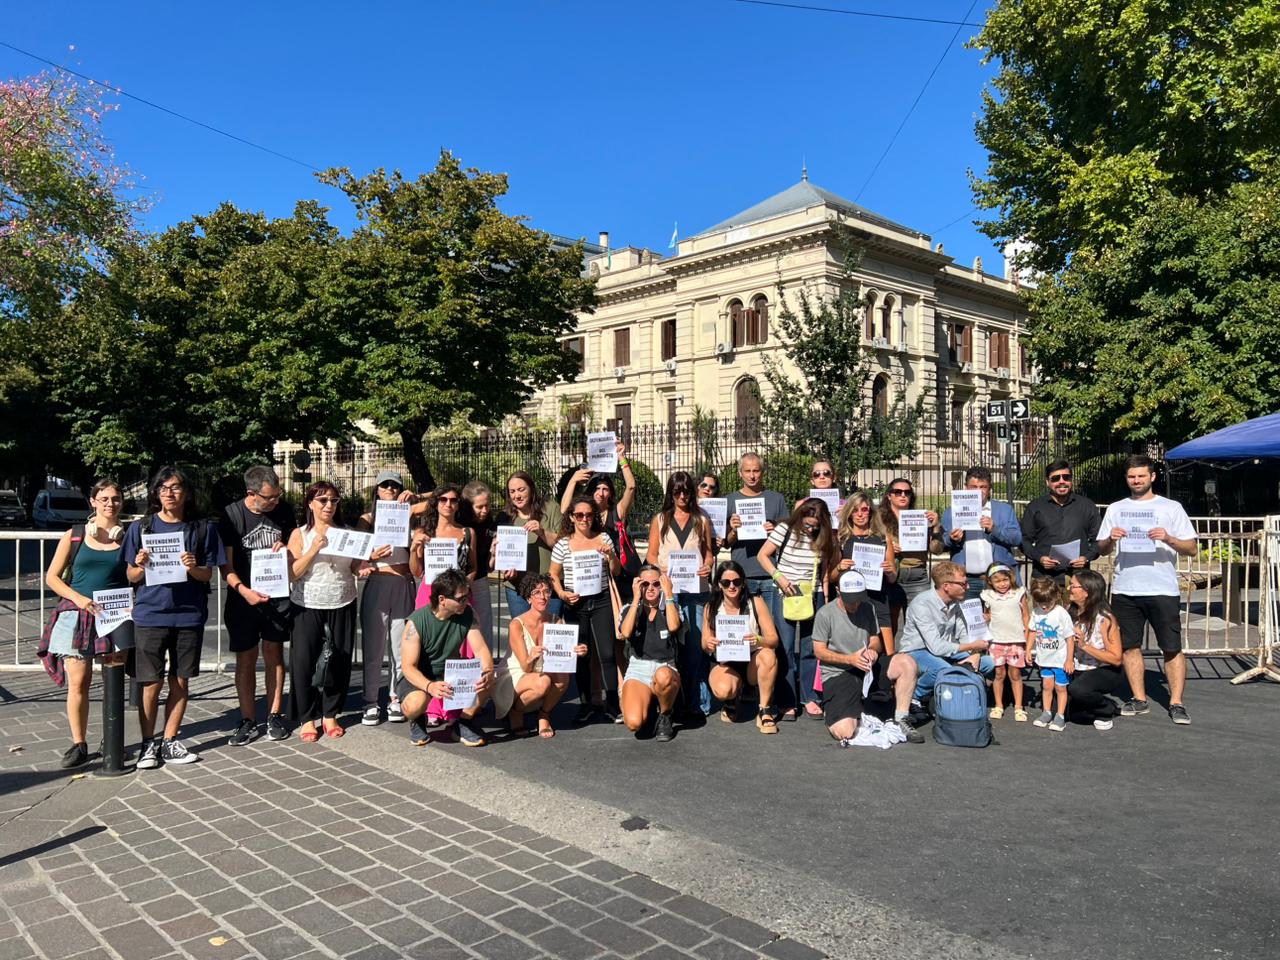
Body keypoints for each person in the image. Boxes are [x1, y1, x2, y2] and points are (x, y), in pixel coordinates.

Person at [123, 466, 225, 769]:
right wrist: (140, 564)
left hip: (188, 615)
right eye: (163, 488)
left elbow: (208, 573)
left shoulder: (202, 528)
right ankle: (147, 744)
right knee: (150, 683)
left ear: (187, 492)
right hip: (150, 615)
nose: (169, 493)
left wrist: (193, 566)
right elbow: (131, 575)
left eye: (176, 487)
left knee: (180, 680)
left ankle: (169, 741)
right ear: (155, 493)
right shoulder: (141, 528)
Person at [1096, 455, 1198, 724]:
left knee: (1172, 647)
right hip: (1126, 587)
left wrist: (1168, 537)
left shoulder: (1171, 508)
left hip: (1162, 587)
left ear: (1152, 477)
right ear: (1127, 479)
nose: (1136, 480)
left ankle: (1176, 702)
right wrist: (1111, 538)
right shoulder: (1116, 509)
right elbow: (1101, 548)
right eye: (1132, 476)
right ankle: (1139, 698)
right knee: (1130, 646)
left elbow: (1192, 548)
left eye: (1141, 475)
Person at [40, 479, 133, 768]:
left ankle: (112, 740)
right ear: (93, 501)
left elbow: (136, 575)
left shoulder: (129, 536)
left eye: (115, 498)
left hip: (115, 616)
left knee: (113, 682)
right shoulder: (75, 535)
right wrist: (79, 599)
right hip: (77, 614)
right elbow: (52, 577)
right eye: (103, 498)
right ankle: (79, 743)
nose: (110, 503)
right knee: (78, 683)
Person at [287, 481, 391, 742]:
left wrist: (368, 563)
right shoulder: (299, 534)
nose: (329, 506)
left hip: (342, 600)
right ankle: (307, 717)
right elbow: (293, 573)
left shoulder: (347, 532)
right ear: (310, 503)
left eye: (334, 500)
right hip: (307, 602)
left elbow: (355, 567)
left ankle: (330, 713)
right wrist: (313, 549)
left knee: (340, 658)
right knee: (303, 661)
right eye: (322, 500)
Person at [218, 465, 296, 745]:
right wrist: (243, 590)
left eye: (277, 495)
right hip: (244, 598)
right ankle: (248, 718)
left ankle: (274, 714)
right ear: (251, 494)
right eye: (270, 498)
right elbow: (224, 564)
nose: (275, 501)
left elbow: (293, 544)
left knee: (274, 652)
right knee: (246, 658)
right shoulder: (231, 515)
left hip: (277, 595)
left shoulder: (283, 511)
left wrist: (286, 548)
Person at [812, 572, 924, 745]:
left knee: (907, 663)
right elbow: (819, 651)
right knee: (845, 732)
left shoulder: (868, 607)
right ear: (838, 591)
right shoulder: (825, 614)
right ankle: (838, 708)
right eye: (850, 599)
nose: (855, 603)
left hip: (867, 667)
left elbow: (875, 641)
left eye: (858, 598)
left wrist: (872, 650)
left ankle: (902, 718)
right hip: (839, 672)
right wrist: (850, 659)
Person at [757, 498, 840, 720]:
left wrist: (824, 595)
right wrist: (780, 578)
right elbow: (762, 555)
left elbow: (824, 570)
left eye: (815, 525)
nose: (811, 528)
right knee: (784, 647)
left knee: (810, 648)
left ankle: (809, 696)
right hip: (784, 593)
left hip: (812, 595)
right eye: (807, 524)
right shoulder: (784, 529)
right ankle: (786, 700)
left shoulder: (824, 536)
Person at [398, 568, 495, 748]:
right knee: (414, 704)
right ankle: (417, 719)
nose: (466, 601)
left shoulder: (468, 614)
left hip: (450, 673)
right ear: (442, 600)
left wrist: (488, 671)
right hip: (421, 676)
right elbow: (408, 667)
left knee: (488, 680)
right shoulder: (416, 622)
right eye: (460, 599)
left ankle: (463, 724)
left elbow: (481, 649)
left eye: (467, 596)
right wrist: (429, 686)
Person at [646, 471, 716, 719]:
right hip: (670, 592)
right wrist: (662, 568)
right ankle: (671, 702)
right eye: (677, 491)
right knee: (672, 647)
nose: (683, 496)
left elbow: (709, 552)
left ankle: (697, 703)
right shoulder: (660, 519)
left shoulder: (701, 519)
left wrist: (707, 564)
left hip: (696, 591)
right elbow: (651, 555)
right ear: (671, 493)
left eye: (686, 490)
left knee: (696, 649)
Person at [550, 495, 622, 722]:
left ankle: (612, 703)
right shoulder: (563, 543)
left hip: (600, 600)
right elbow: (553, 573)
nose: (584, 519)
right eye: (579, 515)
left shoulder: (604, 538)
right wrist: (561, 593)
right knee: (581, 654)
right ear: (571, 517)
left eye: (589, 515)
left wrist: (610, 556)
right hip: (575, 603)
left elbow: (616, 571)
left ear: (594, 517)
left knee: (607, 654)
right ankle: (586, 704)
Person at [355, 470, 417, 725]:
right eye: (384, 485)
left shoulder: (412, 516)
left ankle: (396, 697)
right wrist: (369, 558)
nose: (390, 489)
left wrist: (415, 497)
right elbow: (356, 551)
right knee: (374, 647)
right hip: (379, 581)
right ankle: (370, 701)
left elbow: (438, 497)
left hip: (404, 582)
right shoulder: (368, 518)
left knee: (400, 648)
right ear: (377, 490)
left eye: (395, 485)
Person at [491, 573, 587, 738]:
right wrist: (532, 657)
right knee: (543, 682)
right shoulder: (517, 624)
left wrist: (577, 651)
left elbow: (563, 659)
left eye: (547, 592)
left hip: (539, 673)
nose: (543, 597)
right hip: (515, 673)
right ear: (528, 598)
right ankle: (516, 712)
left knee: (563, 676)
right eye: (537, 592)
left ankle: (544, 714)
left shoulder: (556, 621)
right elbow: (526, 667)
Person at [896, 560, 995, 702]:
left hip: (943, 651)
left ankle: (949, 683)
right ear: (946, 586)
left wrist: (975, 654)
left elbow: (963, 634)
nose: (967, 587)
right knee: (943, 670)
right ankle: (913, 695)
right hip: (916, 650)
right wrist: (973, 647)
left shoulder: (956, 602)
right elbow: (936, 647)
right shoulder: (922, 604)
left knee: (987, 663)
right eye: (962, 584)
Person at [701, 560, 781, 733]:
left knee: (768, 655)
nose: (732, 586)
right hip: (725, 663)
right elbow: (704, 643)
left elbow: (773, 639)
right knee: (723, 690)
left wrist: (758, 640)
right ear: (718, 585)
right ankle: (730, 699)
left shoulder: (756, 603)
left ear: (743, 583)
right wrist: (709, 643)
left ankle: (764, 709)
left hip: (752, 660)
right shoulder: (712, 607)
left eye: (736, 582)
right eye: (726, 582)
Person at [725, 452, 789, 649]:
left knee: (774, 631)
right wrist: (733, 531)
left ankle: (776, 675)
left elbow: (787, 537)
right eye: (748, 471)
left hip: (770, 575)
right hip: (742, 576)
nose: (752, 476)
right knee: (745, 631)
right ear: (740, 473)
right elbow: (726, 543)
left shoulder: (776, 499)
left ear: (763, 472)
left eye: (756, 471)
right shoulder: (730, 500)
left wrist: (776, 530)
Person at [618, 566, 684, 742]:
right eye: (645, 584)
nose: (651, 588)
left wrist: (668, 595)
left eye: (656, 583)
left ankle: (665, 714)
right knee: (634, 723)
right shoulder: (629, 608)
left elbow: (673, 626)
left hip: (665, 666)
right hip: (638, 667)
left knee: (663, 676)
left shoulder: (671, 607)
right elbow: (625, 632)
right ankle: (648, 704)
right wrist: (636, 599)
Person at [940, 466, 1023, 599]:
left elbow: (1017, 539)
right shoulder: (951, 512)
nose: (979, 491)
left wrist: (995, 529)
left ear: (989, 489)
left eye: (983, 487)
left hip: (998, 580)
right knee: (966, 619)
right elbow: (942, 542)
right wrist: (952, 539)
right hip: (965, 581)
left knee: (1000, 619)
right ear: (966, 487)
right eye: (974, 487)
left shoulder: (1005, 510)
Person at [878, 478, 943, 632]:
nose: (903, 495)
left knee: (918, 625)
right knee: (889, 626)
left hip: (918, 575)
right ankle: (890, 656)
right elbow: (870, 544)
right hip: (892, 576)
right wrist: (888, 548)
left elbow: (936, 549)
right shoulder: (879, 519)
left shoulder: (921, 517)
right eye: (898, 492)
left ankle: (913, 656)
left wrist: (936, 527)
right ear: (889, 496)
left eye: (907, 492)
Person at [1020, 460, 1101, 584]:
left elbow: (1099, 539)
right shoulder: (1035, 507)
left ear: (1071, 480)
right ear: (1047, 482)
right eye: (1056, 478)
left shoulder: (1087, 506)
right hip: (1044, 578)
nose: (1061, 481)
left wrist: (1086, 558)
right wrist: (1040, 558)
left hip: (1078, 579)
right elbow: (1024, 540)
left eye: (1066, 477)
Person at [835, 491, 897, 652]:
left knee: (888, 650)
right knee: (855, 646)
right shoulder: (841, 539)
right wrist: (839, 567)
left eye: (864, 509)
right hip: (852, 597)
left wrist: (890, 571)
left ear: (871, 512)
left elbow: (892, 578)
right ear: (849, 513)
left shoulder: (883, 538)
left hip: (878, 596)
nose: (860, 514)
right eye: (855, 510)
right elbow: (830, 576)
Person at [498, 471, 562, 618]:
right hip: (517, 589)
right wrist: (505, 569)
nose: (517, 496)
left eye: (521, 490)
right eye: (512, 491)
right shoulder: (506, 517)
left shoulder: (551, 508)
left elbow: (562, 545)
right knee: (522, 634)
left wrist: (542, 532)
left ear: (531, 489)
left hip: (548, 588)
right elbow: (501, 554)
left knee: (548, 635)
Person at [1066, 570, 1124, 730]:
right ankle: (1087, 705)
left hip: (1103, 669)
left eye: (1073, 586)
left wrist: (1084, 646)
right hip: (1077, 667)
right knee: (1069, 714)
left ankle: (1106, 709)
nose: (1069, 588)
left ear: (1087, 591)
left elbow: (1116, 659)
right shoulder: (1069, 613)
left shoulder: (1105, 618)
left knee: (1077, 690)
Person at [412, 483, 477, 609]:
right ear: (435, 503)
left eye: (453, 500)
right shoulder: (423, 532)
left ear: (458, 505)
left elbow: (473, 567)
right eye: (443, 499)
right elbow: (417, 571)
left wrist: (464, 586)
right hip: (429, 593)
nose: (448, 504)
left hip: (459, 595)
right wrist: (414, 549)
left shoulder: (468, 533)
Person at [981, 562, 1031, 721]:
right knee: (999, 673)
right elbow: (987, 615)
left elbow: (1025, 616)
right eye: (997, 581)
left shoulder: (1018, 593)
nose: (1002, 584)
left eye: (1005, 580)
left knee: (1015, 674)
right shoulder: (988, 596)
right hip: (996, 641)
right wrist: (985, 618)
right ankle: (998, 705)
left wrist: (1027, 637)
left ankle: (1018, 706)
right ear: (990, 582)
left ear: (1010, 578)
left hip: (1016, 640)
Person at [1027, 576, 1077, 732]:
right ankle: (1046, 712)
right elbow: (1033, 631)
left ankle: (1060, 716)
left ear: (1056, 597)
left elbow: (1070, 638)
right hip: (1044, 659)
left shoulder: (1061, 613)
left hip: (1060, 660)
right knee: (1047, 685)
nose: (1044, 607)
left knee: (1060, 687)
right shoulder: (1036, 612)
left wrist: (1069, 660)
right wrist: (1028, 649)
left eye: (1047, 603)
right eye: (1040, 603)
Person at [460, 481, 499, 647]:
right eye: (479, 507)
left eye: (487, 505)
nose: (485, 511)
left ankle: (486, 667)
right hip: (459, 582)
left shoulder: (490, 522)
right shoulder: (459, 522)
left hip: (480, 580)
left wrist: (494, 554)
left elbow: (490, 566)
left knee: (483, 627)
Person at [695, 471, 725, 553]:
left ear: (715, 491)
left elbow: (715, 551)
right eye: (704, 485)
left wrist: (720, 543)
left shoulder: (720, 510)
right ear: (697, 486)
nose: (707, 489)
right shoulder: (687, 506)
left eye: (712, 487)